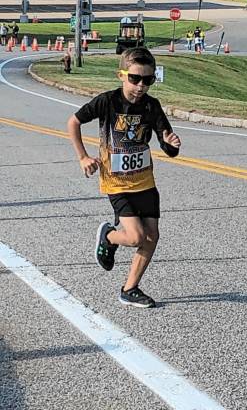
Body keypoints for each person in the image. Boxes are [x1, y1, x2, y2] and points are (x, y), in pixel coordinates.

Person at [67, 47, 181, 308]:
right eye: (135, 79)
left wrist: (172, 143)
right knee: (135, 237)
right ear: (121, 75)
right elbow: (73, 122)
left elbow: (167, 143)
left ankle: (130, 289)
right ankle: (108, 237)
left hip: (144, 182)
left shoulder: (152, 106)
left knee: (152, 236)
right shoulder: (107, 102)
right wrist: (83, 157)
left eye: (148, 80)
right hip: (116, 183)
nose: (141, 86)